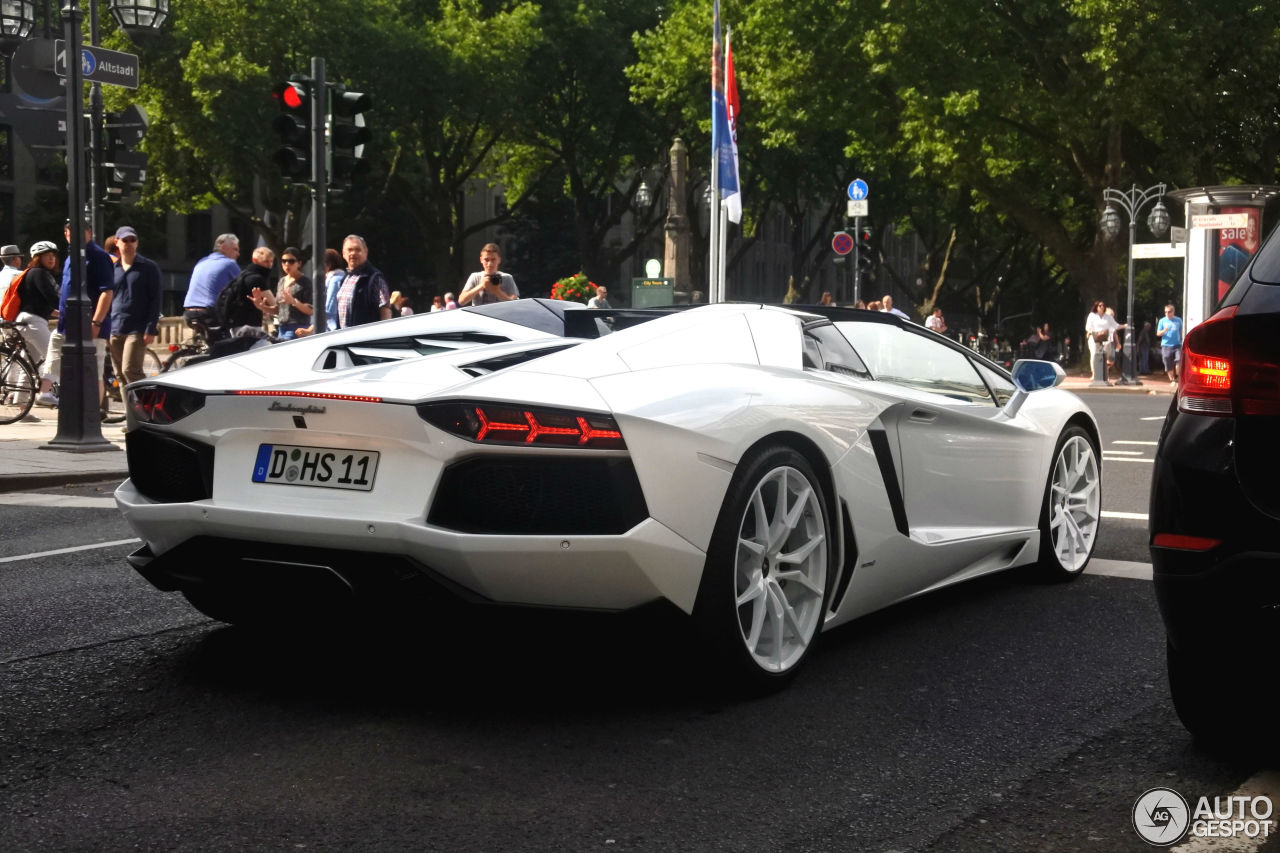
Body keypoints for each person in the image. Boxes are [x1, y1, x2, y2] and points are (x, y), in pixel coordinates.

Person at [39, 222, 114, 410]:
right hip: (66, 323)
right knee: (57, 354)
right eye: (71, 232)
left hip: (91, 322)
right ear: (66, 234)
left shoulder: (98, 256)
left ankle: (92, 414)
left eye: (81, 231)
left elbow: (107, 292)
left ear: (89, 232)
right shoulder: (71, 256)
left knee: (93, 370)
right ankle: (47, 393)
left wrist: (96, 322)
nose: (75, 235)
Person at [108, 226, 163, 388]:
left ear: (137, 243)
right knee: (119, 374)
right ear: (117, 242)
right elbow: (107, 298)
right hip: (115, 327)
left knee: (130, 370)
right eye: (125, 240)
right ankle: (131, 412)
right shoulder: (112, 269)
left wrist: (151, 328)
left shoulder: (149, 267)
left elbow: (156, 299)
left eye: (133, 240)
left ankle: (146, 408)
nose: (129, 244)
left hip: (137, 329)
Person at [14, 242, 61, 394]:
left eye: (53, 255)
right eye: (47, 255)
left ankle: (20, 401)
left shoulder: (32, 273)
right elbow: (52, 298)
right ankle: (45, 393)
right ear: (37, 257)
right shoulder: (38, 273)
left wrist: (59, 313)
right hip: (33, 322)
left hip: (27, 320)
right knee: (56, 357)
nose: (52, 259)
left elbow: (40, 304)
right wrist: (71, 309)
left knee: (28, 363)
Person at [183, 234, 240, 331]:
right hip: (209, 313)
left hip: (189, 313)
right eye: (235, 249)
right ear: (223, 247)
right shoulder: (230, 264)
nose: (238, 254)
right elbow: (245, 288)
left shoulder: (202, 261)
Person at [336, 234, 392, 328]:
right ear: (343, 253)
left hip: (366, 339)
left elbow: (385, 309)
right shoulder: (344, 279)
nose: (353, 253)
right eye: (349, 250)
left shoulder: (374, 278)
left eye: (358, 250)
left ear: (366, 252)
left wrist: (383, 337)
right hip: (345, 340)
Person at [220, 246, 277, 332]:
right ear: (255, 260)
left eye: (271, 261)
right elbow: (274, 304)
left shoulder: (243, 275)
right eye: (266, 261)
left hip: (236, 324)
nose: (269, 265)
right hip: (249, 326)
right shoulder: (256, 279)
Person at [273, 246, 312, 340]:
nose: (287, 264)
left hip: (297, 328)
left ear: (299, 263)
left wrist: (294, 302)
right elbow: (278, 309)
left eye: (291, 261)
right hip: (281, 328)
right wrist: (261, 306)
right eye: (284, 261)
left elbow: (311, 310)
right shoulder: (282, 281)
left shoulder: (305, 282)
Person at [1084, 301, 1120, 381]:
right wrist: (1091, 333)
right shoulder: (1092, 316)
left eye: (1112, 316)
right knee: (1094, 354)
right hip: (1095, 338)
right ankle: (1094, 373)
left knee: (1106, 358)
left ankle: (1105, 374)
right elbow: (1088, 327)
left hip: (1107, 341)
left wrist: (1118, 344)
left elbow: (1114, 333)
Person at [1156, 303, 1183, 385]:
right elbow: (1158, 333)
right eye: (1165, 312)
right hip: (1166, 345)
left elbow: (1180, 331)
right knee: (1167, 362)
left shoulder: (1178, 320)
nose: (1167, 313)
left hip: (1177, 345)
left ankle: (1177, 377)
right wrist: (1164, 330)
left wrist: (1181, 339)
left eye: (1169, 312)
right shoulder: (1162, 321)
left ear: (1173, 311)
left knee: (1179, 360)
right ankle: (1172, 380)